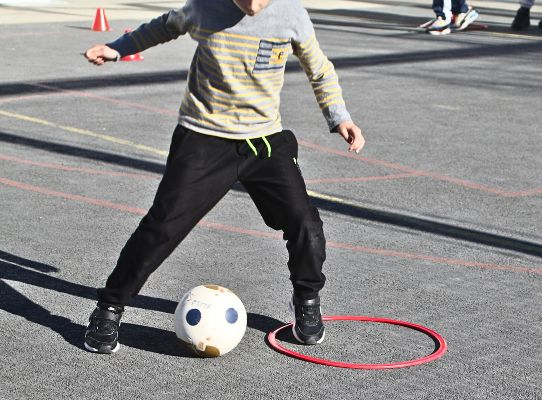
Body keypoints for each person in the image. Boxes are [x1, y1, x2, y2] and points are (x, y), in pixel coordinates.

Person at [82, 0, 365, 354]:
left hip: (263, 138)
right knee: (162, 227)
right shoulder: (204, 8)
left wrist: (339, 116)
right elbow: (164, 26)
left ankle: (306, 298)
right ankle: (109, 308)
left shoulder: (292, 15)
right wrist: (117, 49)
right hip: (204, 136)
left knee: (306, 224)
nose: (253, 5)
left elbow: (319, 68)